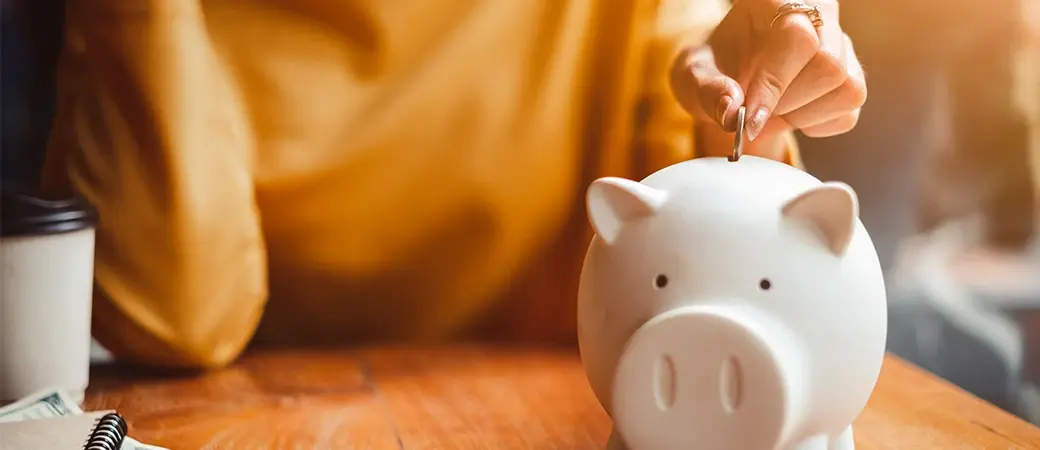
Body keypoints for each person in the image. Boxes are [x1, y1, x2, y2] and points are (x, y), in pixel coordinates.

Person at [39, 0, 867, 369]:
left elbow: (685, 95)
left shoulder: (630, 29)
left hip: (547, 389)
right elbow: (168, 314)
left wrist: (736, 76)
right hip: (246, 381)